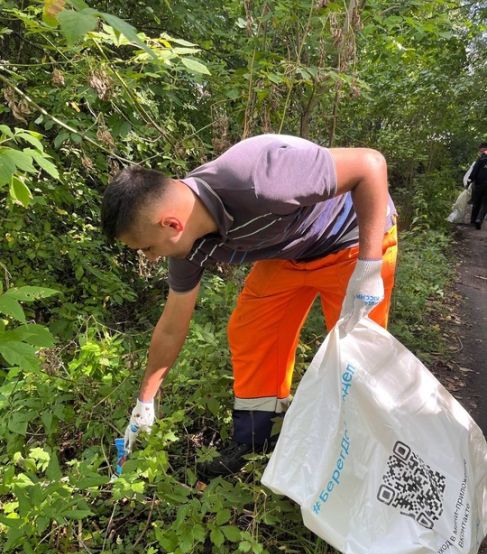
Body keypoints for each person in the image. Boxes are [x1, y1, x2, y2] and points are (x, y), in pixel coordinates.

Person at [101, 134, 398, 477]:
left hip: (351, 240)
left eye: (146, 249)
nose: (149, 259)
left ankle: (359, 462)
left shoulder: (259, 178)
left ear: (171, 225)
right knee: (253, 331)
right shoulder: (188, 247)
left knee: (357, 353)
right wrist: (145, 402)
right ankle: (258, 440)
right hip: (289, 251)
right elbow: (171, 327)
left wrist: (369, 268)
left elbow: (370, 164)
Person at [467, 142, 487, 230]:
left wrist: (470, 179)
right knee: (485, 203)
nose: (480, 151)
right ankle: (479, 219)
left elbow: (475, 170)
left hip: (479, 183)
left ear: (484, 148)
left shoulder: (481, 158)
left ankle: (473, 220)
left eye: (480, 149)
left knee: (477, 201)